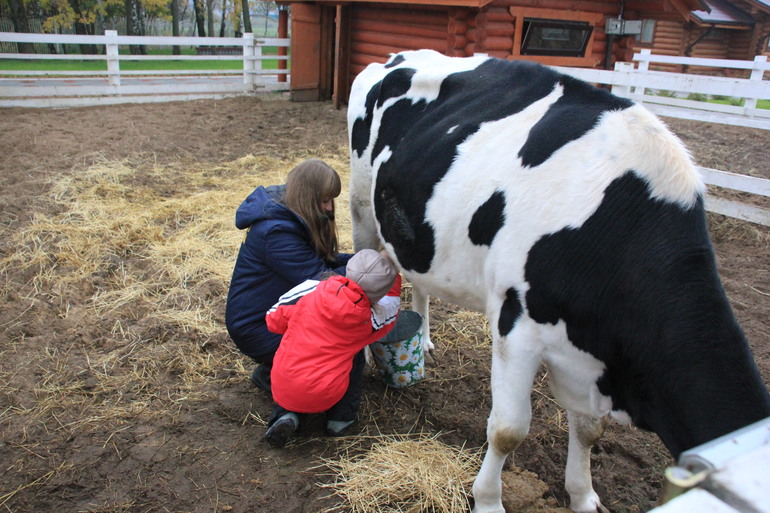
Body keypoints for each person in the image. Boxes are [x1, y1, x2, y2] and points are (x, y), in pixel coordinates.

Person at [225, 159, 353, 392]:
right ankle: (277, 376)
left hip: (273, 314)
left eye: (331, 200)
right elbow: (320, 280)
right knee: (335, 343)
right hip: (258, 328)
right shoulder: (276, 232)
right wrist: (371, 267)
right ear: (308, 197)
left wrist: (363, 259)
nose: (330, 208)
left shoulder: (290, 215)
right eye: (325, 200)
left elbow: (323, 259)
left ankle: (279, 367)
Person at [262, 249, 402, 448]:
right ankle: (340, 419)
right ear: (379, 294)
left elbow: (272, 318)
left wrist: (299, 321)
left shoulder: (312, 289)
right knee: (355, 354)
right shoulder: (367, 322)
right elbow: (391, 310)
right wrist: (394, 277)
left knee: (295, 342)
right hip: (327, 393)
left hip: (283, 384)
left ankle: (287, 416)